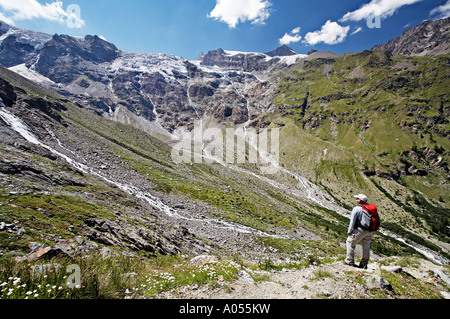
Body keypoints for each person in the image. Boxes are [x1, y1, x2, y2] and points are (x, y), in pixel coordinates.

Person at [343, 194, 373, 269]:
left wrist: (349, 231)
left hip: (360, 230)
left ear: (360, 200)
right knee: (366, 247)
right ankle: (364, 264)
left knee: (350, 242)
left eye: (357, 198)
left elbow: (352, 221)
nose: (356, 200)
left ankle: (349, 261)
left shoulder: (356, 209)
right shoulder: (369, 208)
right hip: (369, 231)